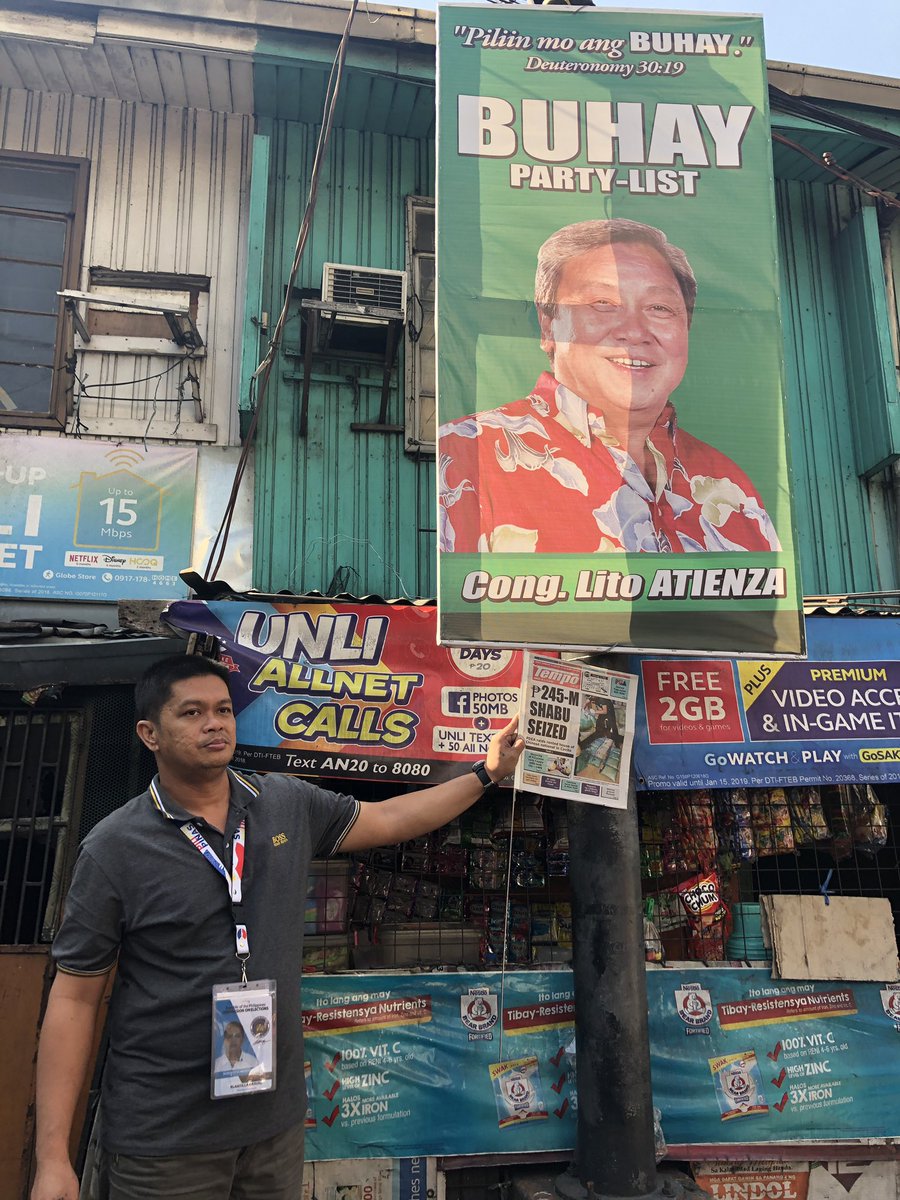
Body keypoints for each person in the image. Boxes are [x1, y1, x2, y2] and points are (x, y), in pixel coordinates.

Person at [32, 653, 524, 1200]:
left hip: (274, 1128)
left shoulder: (284, 803)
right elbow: (74, 1001)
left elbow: (388, 819)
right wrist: (53, 1158)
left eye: (223, 709)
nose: (214, 723)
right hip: (164, 1139)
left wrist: (485, 774)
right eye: (192, 713)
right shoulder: (114, 849)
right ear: (150, 733)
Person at [439, 217, 780, 555]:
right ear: (548, 326)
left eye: (659, 308)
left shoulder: (729, 485)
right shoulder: (466, 456)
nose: (634, 331)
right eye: (602, 304)